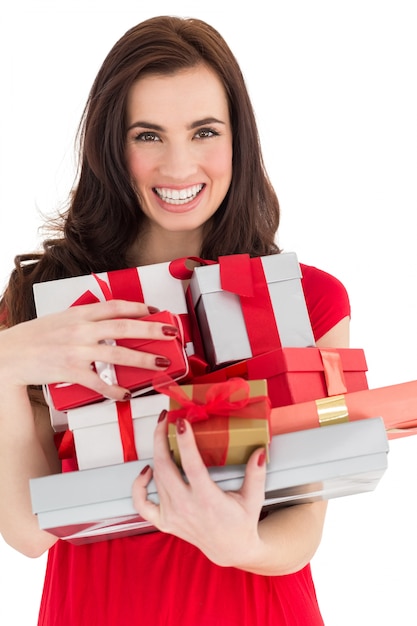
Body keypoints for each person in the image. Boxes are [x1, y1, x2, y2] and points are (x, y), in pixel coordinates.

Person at [0, 15, 350, 626]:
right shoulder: (41, 304)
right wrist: (5, 363)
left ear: (238, 138)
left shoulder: (310, 301)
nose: (180, 165)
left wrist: (242, 544)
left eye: (205, 131)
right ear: (113, 146)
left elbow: (306, 521)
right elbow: (30, 533)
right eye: (148, 135)